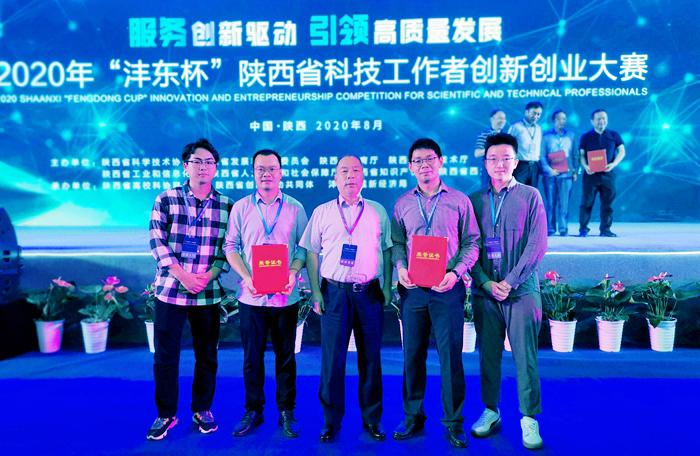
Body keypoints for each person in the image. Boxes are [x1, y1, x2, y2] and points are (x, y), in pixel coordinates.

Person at [391, 138, 481, 449]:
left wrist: (456, 273)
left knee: (450, 357)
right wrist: (401, 267)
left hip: (447, 289)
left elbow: (472, 243)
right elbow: (398, 243)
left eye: (430, 159)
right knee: (412, 355)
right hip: (413, 291)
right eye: (418, 161)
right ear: (410, 167)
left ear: (441, 161)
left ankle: (454, 422)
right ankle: (413, 416)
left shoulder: (459, 201)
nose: (424, 165)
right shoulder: (402, 203)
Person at [299, 155, 393, 443]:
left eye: (355, 171)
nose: (350, 175)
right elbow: (311, 252)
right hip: (334, 293)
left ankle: (372, 419)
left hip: (369, 293)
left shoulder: (377, 211)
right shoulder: (322, 212)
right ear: (335, 178)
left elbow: (387, 249)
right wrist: (316, 292)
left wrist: (388, 287)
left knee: (371, 359)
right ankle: (331, 421)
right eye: (344, 171)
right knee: (332, 360)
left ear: (363, 176)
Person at [147, 138, 233, 440]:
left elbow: (229, 249)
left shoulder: (227, 205)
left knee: (207, 354)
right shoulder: (166, 199)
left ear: (216, 168)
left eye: (209, 163)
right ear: (186, 166)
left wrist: (208, 276)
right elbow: (156, 240)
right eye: (197, 162)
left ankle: (202, 409)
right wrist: (182, 275)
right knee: (166, 356)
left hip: (207, 292)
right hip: (171, 289)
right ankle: (166, 413)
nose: (203, 167)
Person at [468, 133, 548, 450]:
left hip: (521, 291)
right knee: (488, 355)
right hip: (485, 291)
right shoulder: (474, 200)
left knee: (525, 358)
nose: (499, 164)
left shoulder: (531, 196)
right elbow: (468, 247)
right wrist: (485, 282)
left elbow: (537, 245)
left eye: (506, 158)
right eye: (493, 159)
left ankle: (529, 418)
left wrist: (511, 281)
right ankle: (491, 410)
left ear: (516, 162)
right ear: (485, 163)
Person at [223, 149, 308, 438]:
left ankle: (286, 410)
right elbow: (230, 246)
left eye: (272, 168)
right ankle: (253, 410)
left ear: (281, 173)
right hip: (252, 297)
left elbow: (303, 248)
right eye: (260, 169)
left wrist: (293, 273)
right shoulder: (241, 208)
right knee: (252, 357)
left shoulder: (295, 208)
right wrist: (247, 277)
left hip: (285, 296)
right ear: (253, 172)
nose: (266, 174)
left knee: (285, 356)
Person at [578, 109, 626, 237]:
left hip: (608, 175)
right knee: (586, 203)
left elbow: (622, 151)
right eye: (598, 118)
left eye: (604, 118)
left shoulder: (614, 135)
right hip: (591, 175)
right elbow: (581, 154)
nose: (602, 121)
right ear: (592, 121)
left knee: (608, 204)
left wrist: (614, 164)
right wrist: (585, 166)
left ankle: (605, 229)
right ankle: (583, 229)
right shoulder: (586, 137)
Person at [539, 110, 579, 236]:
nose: (562, 121)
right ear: (554, 121)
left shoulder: (571, 136)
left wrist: (575, 171)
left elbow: (575, 155)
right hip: (551, 175)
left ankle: (563, 229)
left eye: (564, 118)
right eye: (559, 119)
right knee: (551, 203)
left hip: (567, 175)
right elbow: (541, 156)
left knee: (564, 204)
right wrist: (549, 170)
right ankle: (550, 228)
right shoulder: (546, 137)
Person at [508, 101, 543, 187]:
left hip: (535, 166)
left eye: (538, 114)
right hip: (520, 165)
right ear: (526, 112)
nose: (536, 116)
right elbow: (508, 146)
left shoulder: (539, 129)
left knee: (532, 192)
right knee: (518, 191)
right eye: (533, 113)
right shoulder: (516, 127)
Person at [475, 109, 507, 188]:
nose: (502, 121)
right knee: (486, 190)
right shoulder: (484, 134)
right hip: (488, 168)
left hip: (503, 169)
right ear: (492, 119)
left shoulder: (506, 136)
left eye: (504, 119)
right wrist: (493, 148)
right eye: (500, 118)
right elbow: (477, 153)